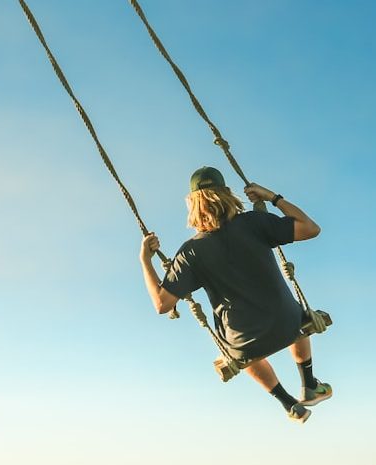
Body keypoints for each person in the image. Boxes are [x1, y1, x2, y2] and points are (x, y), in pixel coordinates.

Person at [140, 166, 332, 423]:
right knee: (294, 314)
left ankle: (288, 404)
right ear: (226, 194)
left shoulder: (190, 253)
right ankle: (309, 384)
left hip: (245, 343)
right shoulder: (255, 223)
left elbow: (162, 304)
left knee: (236, 348)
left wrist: (145, 260)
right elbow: (310, 228)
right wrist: (273, 198)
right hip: (289, 324)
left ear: (193, 205)